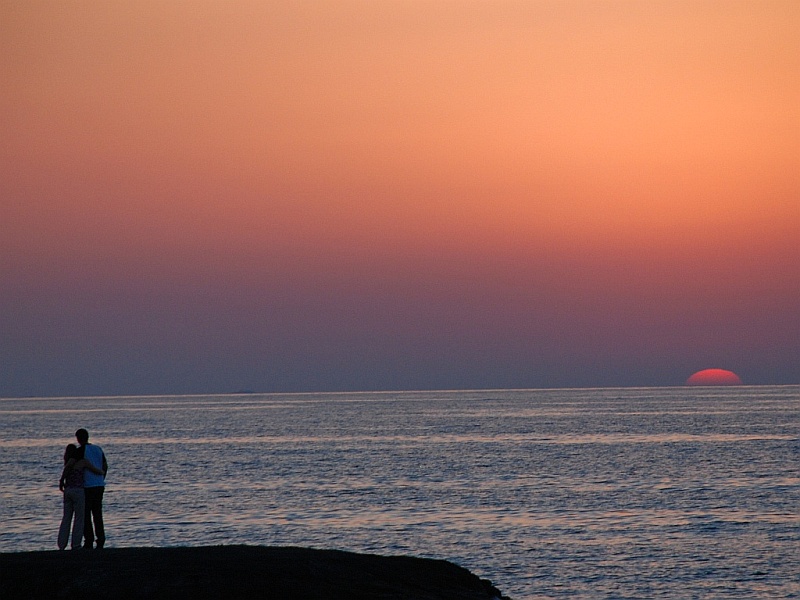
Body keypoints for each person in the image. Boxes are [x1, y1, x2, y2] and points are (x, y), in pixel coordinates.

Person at [57, 444, 102, 550]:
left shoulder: (67, 463)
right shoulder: (82, 462)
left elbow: (66, 471)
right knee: (79, 519)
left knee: (66, 518)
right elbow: (95, 470)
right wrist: (102, 472)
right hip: (78, 491)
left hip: (68, 490)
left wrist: (61, 481)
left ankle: (61, 544)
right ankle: (76, 544)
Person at [75, 428, 108, 549]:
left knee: (86, 514)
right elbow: (105, 465)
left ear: (78, 439)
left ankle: (88, 540)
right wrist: (101, 478)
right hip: (99, 485)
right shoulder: (98, 449)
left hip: (87, 486)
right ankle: (101, 539)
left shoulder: (80, 451)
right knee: (97, 513)